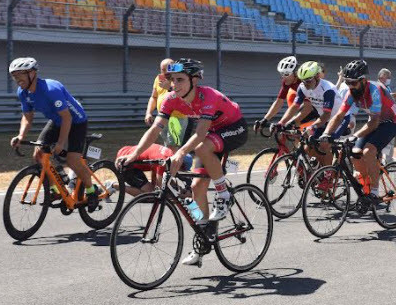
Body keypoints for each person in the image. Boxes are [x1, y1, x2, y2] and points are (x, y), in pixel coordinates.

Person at [118, 58, 247, 266]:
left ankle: (224, 195)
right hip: (212, 133)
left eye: (180, 80)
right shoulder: (171, 99)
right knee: (196, 188)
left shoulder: (208, 96)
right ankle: (203, 239)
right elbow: (155, 130)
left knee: (201, 147)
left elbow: (200, 133)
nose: (174, 85)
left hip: (234, 128)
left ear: (194, 80)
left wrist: (181, 153)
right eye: (172, 80)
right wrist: (134, 155)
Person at [9, 57, 99, 210]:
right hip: (57, 120)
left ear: (32, 73)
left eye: (20, 74)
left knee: (72, 160)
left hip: (76, 121)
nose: (17, 79)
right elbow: (27, 117)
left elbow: (67, 118)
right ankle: (55, 190)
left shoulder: (51, 89)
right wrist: (21, 136)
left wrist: (61, 143)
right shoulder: (23, 92)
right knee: (39, 154)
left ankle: (92, 191)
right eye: (14, 76)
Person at [322, 60, 396, 200]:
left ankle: (374, 192)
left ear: (363, 80)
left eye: (353, 83)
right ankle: (366, 185)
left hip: (391, 122)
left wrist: (355, 135)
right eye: (347, 82)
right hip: (375, 120)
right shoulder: (352, 93)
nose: (350, 86)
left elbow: (375, 122)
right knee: (355, 153)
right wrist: (326, 133)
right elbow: (339, 115)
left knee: (368, 152)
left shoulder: (375, 90)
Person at [275, 61, 339, 167]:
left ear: (317, 77)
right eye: (303, 80)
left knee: (324, 145)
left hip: (338, 119)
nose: (305, 84)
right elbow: (294, 106)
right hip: (324, 119)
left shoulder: (327, 89)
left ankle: (328, 174)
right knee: (308, 147)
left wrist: (312, 127)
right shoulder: (302, 87)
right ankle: (321, 170)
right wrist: (282, 123)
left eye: (308, 80)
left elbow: (326, 114)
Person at [257, 56, 316, 132]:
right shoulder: (287, 82)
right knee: (290, 126)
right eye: (282, 74)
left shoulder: (304, 83)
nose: (283, 77)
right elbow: (279, 101)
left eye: (286, 74)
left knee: (294, 126)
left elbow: (308, 108)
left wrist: (284, 123)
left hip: (321, 107)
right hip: (311, 105)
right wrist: (265, 119)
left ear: (295, 73)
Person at [144, 58, 174, 126]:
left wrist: (170, 88)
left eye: (169, 69)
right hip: (162, 116)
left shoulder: (179, 79)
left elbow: (184, 96)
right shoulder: (158, 79)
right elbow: (154, 97)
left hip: (177, 117)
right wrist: (148, 113)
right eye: (163, 70)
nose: (166, 72)